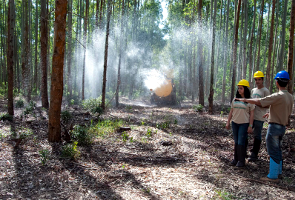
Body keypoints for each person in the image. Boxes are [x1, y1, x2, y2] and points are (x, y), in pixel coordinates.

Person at [236, 71, 293, 182]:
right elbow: (286, 110)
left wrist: (244, 99)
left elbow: (260, 101)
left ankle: (272, 176)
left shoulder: (277, 95)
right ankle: (278, 172)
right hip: (282, 127)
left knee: (272, 150)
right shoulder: (290, 96)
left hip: (274, 127)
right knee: (278, 149)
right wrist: (270, 113)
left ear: (277, 82)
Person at [226, 79, 255, 167]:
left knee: (241, 141)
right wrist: (228, 122)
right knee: (236, 141)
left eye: (241, 88)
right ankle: (235, 159)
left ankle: (241, 161)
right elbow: (231, 111)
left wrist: (250, 125)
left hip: (244, 123)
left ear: (245, 89)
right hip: (235, 123)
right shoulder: (235, 99)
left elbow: (252, 114)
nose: (239, 90)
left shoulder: (250, 100)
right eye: (238, 88)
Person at [248, 71, 270, 162]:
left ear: (262, 80)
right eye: (256, 79)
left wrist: (258, 103)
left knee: (257, 135)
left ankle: (254, 154)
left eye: (259, 79)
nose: (257, 81)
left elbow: (268, 105)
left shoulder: (265, 91)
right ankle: (246, 151)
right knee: (247, 132)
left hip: (259, 117)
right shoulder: (253, 90)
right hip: (251, 116)